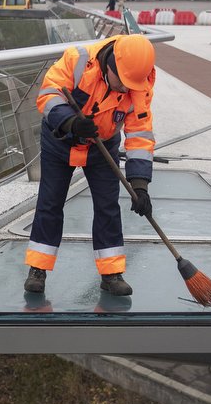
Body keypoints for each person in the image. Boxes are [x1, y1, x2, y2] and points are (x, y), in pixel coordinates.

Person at [24, 34, 157, 297]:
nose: (124, 89)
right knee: (50, 203)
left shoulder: (140, 83)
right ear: (111, 65)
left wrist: (140, 185)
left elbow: (140, 133)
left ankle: (111, 274)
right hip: (60, 140)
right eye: (122, 82)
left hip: (102, 146)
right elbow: (48, 95)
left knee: (108, 206)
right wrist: (70, 122)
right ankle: (37, 269)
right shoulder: (78, 60)